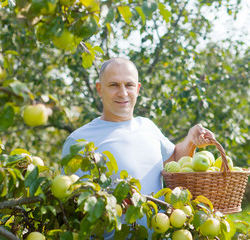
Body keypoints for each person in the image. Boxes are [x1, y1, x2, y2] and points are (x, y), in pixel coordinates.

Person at [61, 57, 215, 238]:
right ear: (99, 89)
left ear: (138, 89)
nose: (123, 93)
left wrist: (190, 140)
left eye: (129, 85)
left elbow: (174, 161)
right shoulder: (79, 140)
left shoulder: (147, 126)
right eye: (113, 85)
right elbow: (71, 205)